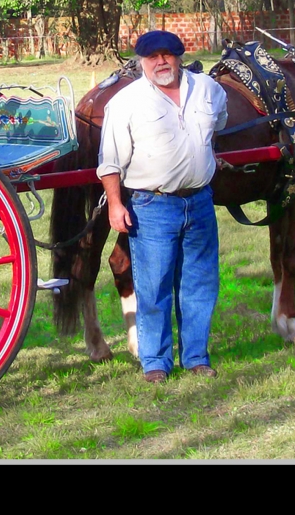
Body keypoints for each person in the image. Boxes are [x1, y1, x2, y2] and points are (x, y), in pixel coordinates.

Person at [96, 30, 228, 384]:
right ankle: (155, 363)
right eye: (152, 57)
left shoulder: (208, 89)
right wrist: (114, 205)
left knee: (199, 284)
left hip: (199, 202)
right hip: (151, 205)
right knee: (153, 287)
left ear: (179, 56)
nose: (160, 62)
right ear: (141, 61)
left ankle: (197, 357)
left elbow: (219, 124)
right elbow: (109, 162)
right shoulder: (126, 102)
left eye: (167, 55)